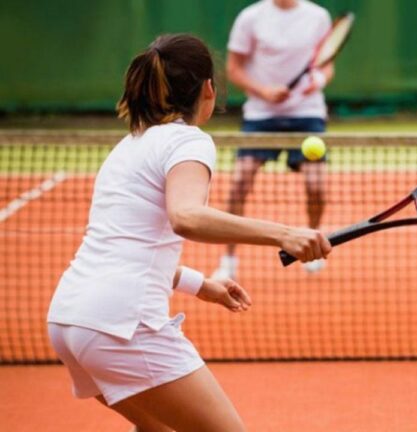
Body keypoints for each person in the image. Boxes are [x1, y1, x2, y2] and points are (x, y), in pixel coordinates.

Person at [46, 34, 331, 432]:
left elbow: (128, 246)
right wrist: (284, 233)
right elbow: (186, 216)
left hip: (70, 321)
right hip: (121, 325)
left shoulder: (130, 145)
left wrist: (201, 285)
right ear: (208, 90)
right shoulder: (188, 141)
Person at [211, 0, 335, 278]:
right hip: (261, 115)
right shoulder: (250, 17)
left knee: (316, 187)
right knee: (239, 184)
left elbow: (326, 67)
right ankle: (228, 261)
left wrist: (319, 82)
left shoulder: (318, 16)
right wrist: (263, 91)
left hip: (307, 113)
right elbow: (233, 69)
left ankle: (313, 244)